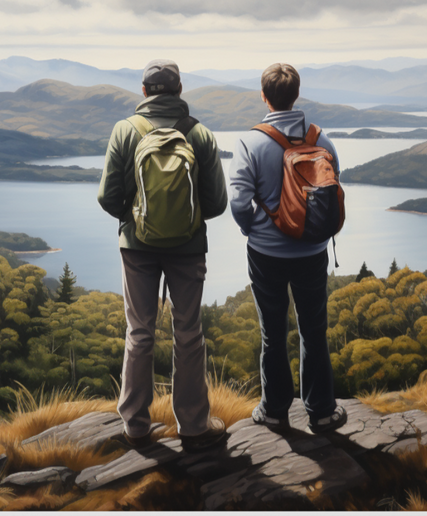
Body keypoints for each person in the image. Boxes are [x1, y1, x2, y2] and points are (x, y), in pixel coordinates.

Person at [96, 59, 229, 451]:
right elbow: (217, 203)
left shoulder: (126, 130)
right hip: (188, 249)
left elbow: (107, 196)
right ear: (180, 91)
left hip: (137, 248)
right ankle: (193, 425)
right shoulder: (199, 134)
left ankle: (135, 425)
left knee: (139, 332)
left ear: (143, 92)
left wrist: (134, 219)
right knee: (188, 333)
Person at [228, 62, 346, 431]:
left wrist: (255, 230)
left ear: (264, 96)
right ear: (296, 94)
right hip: (312, 251)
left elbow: (237, 201)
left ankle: (276, 411)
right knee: (314, 330)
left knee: (272, 332)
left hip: (267, 255)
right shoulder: (320, 139)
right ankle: (322, 411)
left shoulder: (250, 141)